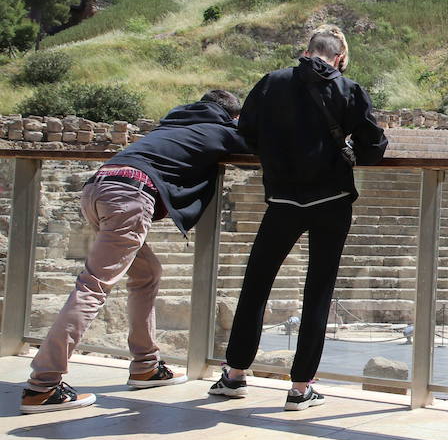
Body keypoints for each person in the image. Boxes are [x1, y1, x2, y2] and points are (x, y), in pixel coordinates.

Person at [20, 90, 247, 413]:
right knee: (93, 286)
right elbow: (261, 145)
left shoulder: (173, 121)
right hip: (129, 197)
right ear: (233, 116)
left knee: (146, 272)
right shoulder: (221, 130)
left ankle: (146, 365)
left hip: (99, 186)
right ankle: (43, 384)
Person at [209, 25, 388, 411]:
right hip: (332, 198)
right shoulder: (349, 89)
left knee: (257, 282)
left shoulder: (271, 83)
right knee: (318, 290)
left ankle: (235, 374)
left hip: (283, 198)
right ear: (339, 56)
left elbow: (247, 134)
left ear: (307, 50)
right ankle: (300, 387)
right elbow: (374, 148)